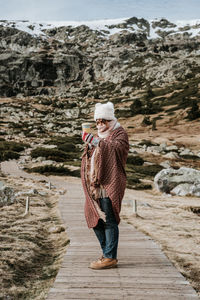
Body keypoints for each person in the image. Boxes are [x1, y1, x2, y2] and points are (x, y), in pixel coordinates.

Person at [81, 101, 129, 269]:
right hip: (95, 186)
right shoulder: (100, 137)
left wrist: (95, 142)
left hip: (109, 184)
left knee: (109, 220)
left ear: (110, 119)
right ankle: (107, 253)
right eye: (98, 121)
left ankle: (110, 257)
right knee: (94, 218)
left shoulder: (119, 133)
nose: (100, 124)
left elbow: (117, 149)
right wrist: (90, 145)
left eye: (104, 121)